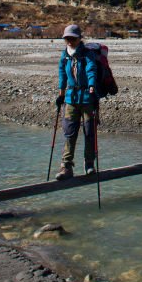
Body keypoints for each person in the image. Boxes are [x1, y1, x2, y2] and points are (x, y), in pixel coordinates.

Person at [55, 24, 98, 180]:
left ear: (80, 38)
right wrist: (61, 94)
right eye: (67, 38)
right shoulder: (65, 55)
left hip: (87, 97)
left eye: (72, 38)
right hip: (71, 98)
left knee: (89, 132)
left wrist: (92, 87)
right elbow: (62, 74)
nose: (69, 41)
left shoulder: (87, 54)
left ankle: (89, 164)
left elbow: (91, 69)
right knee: (69, 133)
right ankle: (66, 167)